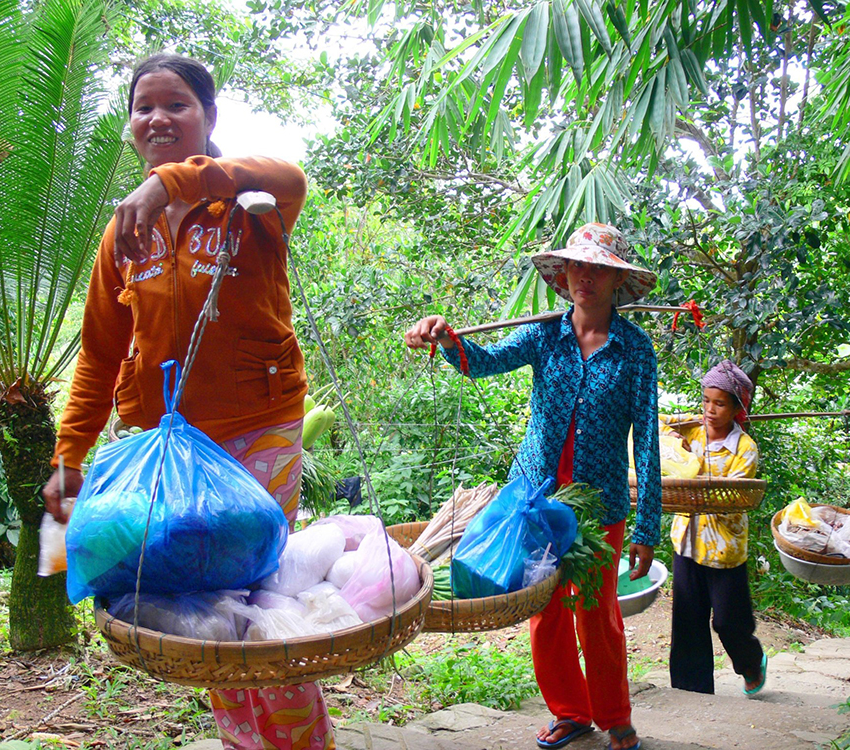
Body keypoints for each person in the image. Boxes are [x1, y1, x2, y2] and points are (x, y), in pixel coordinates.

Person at [41, 53, 335, 750]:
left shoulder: (252, 201)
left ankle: (303, 743)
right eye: (144, 106)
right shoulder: (122, 235)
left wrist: (170, 184)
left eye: (177, 104)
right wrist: (69, 455)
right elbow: (99, 354)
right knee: (196, 611)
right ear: (131, 126)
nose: (159, 117)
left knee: (260, 604)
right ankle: (244, 742)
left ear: (208, 117)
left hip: (255, 430)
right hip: (163, 454)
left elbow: (289, 175)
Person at [405, 223, 662, 750]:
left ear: (616, 280)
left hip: (598, 504)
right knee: (545, 611)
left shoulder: (635, 350)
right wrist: (446, 337)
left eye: (597, 269)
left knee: (598, 613)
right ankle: (571, 712)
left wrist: (647, 523)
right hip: (535, 501)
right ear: (562, 276)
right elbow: (485, 361)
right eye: (576, 266)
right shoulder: (545, 334)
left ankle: (615, 716)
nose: (584, 277)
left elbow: (649, 439)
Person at [665, 360, 766, 697]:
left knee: (728, 622)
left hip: (724, 549)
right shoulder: (692, 430)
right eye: (706, 400)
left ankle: (750, 662)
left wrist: (692, 483)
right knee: (687, 624)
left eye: (720, 403)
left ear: (737, 408)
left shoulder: (745, 450)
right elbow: (659, 427)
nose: (710, 409)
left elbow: (729, 497)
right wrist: (673, 430)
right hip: (688, 545)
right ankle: (690, 693)